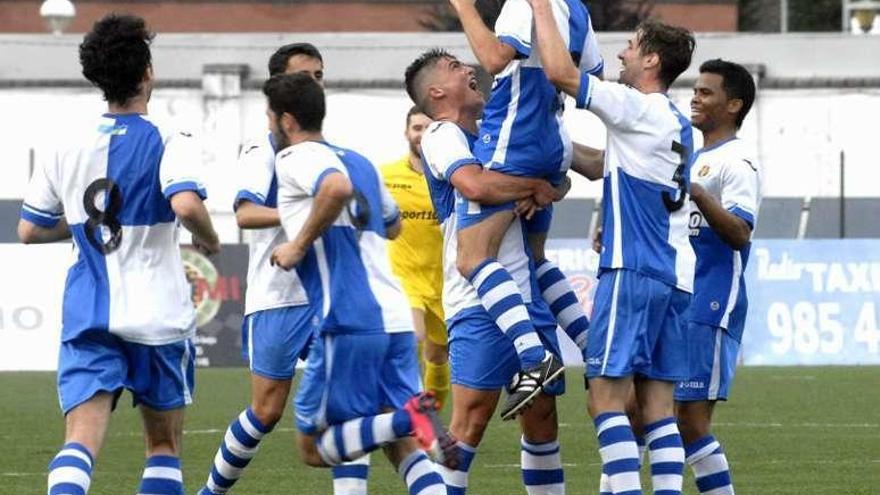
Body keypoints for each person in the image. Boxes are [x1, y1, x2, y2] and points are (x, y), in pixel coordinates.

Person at [19, 14, 220, 495]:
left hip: (90, 311)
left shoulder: (62, 145)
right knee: (163, 447)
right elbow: (186, 203)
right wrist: (210, 239)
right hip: (159, 316)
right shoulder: (171, 137)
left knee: (80, 444)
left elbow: (29, 229)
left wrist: (87, 224)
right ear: (147, 71)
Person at [405, 48, 603, 495]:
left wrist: (552, 184)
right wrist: (535, 186)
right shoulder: (441, 134)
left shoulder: (505, 131)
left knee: (542, 420)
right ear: (437, 92)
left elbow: (574, 166)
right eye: (456, 68)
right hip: (477, 299)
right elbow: (475, 184)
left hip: (525, 296)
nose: (471, 70)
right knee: (470, 419)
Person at [528, 1, 698, 493]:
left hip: (632, 269)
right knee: (658, 407)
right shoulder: (671, 121)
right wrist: (555, 163)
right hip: (675, 276)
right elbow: (609, 163)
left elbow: (561, 72)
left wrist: (541, 5)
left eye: (631, 46)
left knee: (604, 398)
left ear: (651, 62)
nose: (621, 53)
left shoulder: (636, 106)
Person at [265, 72, 455, 494]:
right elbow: (392, 225)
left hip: (349, 321)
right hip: (395, 318)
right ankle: (410, 420)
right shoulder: (362, 161)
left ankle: (411, 416)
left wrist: (297, 246)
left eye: (270, 117)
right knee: (400, 446)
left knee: (313, 447)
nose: (269, 125)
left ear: (288, 121)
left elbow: (334, 187)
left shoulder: (295, 158)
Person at [197, 42, 351, 495]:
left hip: (326, 292)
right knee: (266, 411)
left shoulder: (330, 152)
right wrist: (308, 215)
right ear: (278, 89)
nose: (315, 85)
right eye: (305, 77)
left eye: (320, 76)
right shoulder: (260, 152)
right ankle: (211, 492)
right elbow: (244, 214)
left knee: (348, 402)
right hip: (278, 296)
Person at [444, 0, 604, 418]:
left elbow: (497, 59)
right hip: (554, 140)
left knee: (472, 257)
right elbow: (591, 77)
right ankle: (592, 347)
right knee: (535, 259)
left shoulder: (524, 2)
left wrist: (464, 9)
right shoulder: (578, 9)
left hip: (514, 138)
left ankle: (534, 356)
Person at [675, 59, 760, 495]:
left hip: (713, 299)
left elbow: (740, 232)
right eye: (695, 89)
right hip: (683, 297)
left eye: (706, 92)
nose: (695, 96)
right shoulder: (697, 157)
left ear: (734, 105)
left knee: (690, 419)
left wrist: (698, 194)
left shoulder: (737, 161)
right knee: (659, 412)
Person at [381, 106, 451, 409]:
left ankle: (432, 416)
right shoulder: (385, 175)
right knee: (412, 337)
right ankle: (410, 412)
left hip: (443, 278)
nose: (421, 134)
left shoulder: (451, 175)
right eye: (416, 128)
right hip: (402, 276)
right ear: (407, 132)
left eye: (427, 128)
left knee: (437, 357)